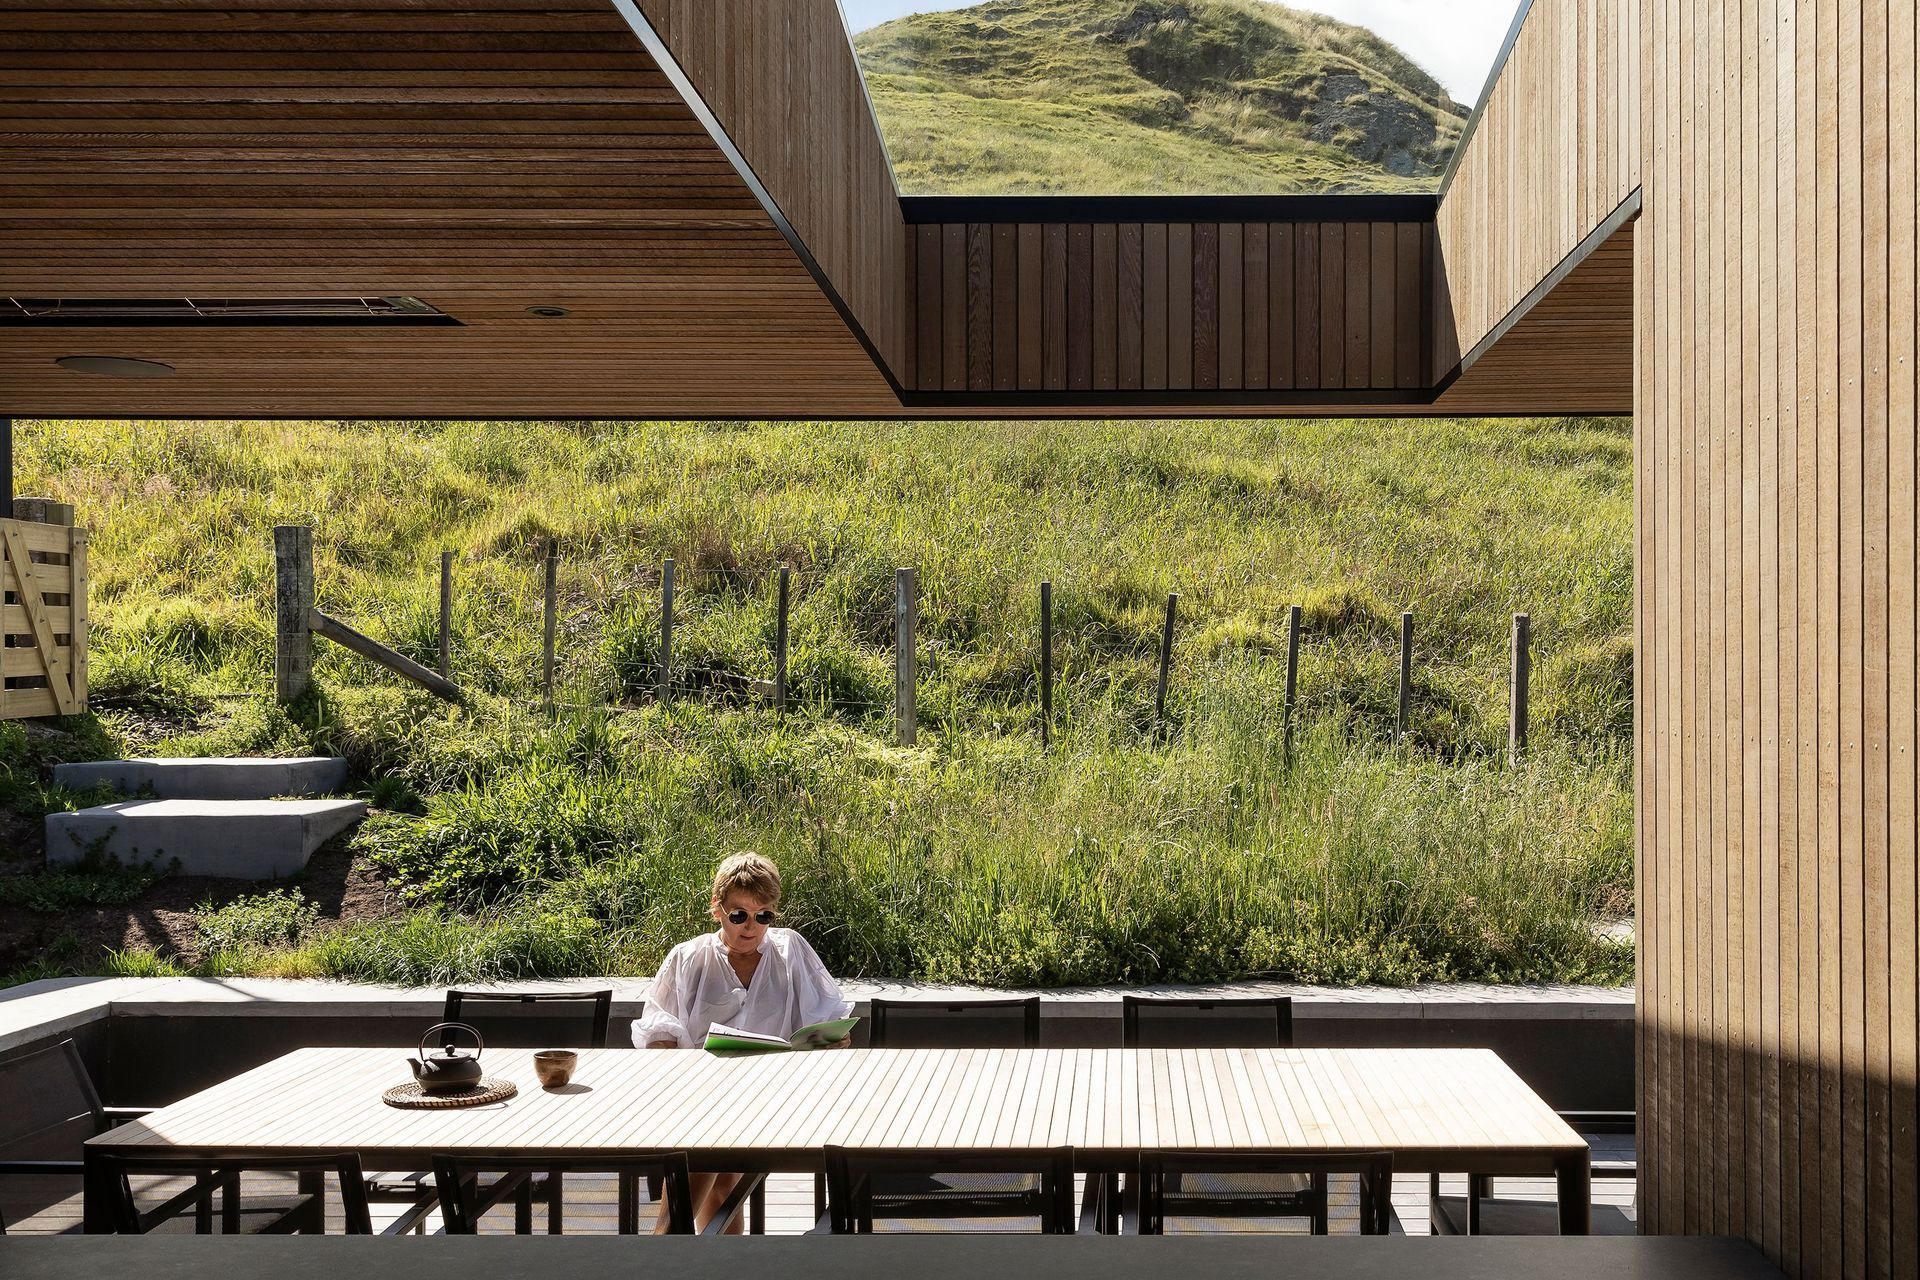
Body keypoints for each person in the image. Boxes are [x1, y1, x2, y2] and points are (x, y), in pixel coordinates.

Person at [634, 852, 852, 1232]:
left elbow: (829, 1018)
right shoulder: (687, 959)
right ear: (716, 909)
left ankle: (664, 1243)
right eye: (739, 915)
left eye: (763, 916)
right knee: (718, 1171)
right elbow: (658, 1033)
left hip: (776, 1098)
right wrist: (672, 1058)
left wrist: (833, 1038)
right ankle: (716, 1260)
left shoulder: (791, 951)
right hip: (700, 1099)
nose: (751, 927)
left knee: (709, 1140)